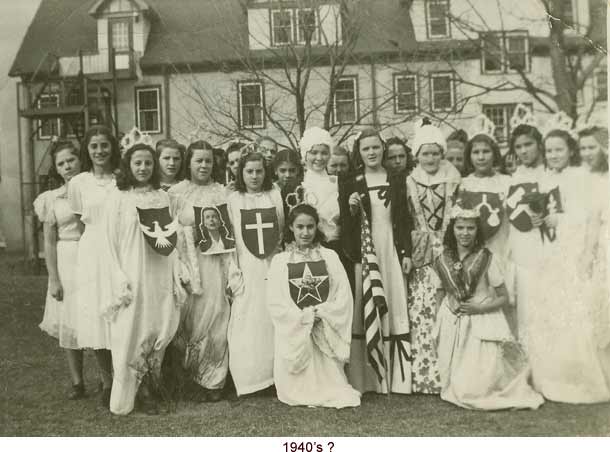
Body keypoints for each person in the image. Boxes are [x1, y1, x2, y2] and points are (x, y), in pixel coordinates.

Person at [527, 120, 610, 403]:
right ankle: (551, 373)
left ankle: (576, 375)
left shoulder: (579, 177)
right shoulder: (546, 178)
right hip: (550, 249)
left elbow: (585, 217)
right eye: (549, 151)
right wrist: (541, 220)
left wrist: (557, 221)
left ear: (570, 151)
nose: (553, 155)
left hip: (572, 248)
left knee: (573, 310)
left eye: (559, 150)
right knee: (550, 309)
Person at [432, 206, 544, 411]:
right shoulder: (442, 258)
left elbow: (504, 298)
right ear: (452, 230)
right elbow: (440, 291)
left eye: (470, 228)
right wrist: (440, 321)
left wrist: (478, 309)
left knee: (472, 389)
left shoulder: (487, 258)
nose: (465, 233)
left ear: (477, 231)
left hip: (479, 323)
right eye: (460, 228)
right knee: (452, 383)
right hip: (452, 323)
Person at [103, 143, 184, 415]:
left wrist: (175, 274)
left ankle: (150, 387)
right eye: (137, 163)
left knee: (156, 326)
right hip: (131, 271)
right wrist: (119, 276)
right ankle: (127, 391)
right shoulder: (118, 197)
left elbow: (172, 239)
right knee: (128, 331)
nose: (143, 168)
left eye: (148, 163)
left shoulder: (164, 197)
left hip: (157, 272)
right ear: (128, 165)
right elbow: (110, 241)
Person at [338, 127, 413, 394]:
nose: (371, 152)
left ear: (383, 149)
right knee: (366, 305)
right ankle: (367, 378)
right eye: (365, 148)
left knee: (393, 301)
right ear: (359, 152)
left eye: (375, 147)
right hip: (367, 251)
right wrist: (350, 208)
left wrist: (405, 253)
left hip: (390, 248)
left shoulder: (397, 178)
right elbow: (345, 225)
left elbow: (404, 220)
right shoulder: (350, 181)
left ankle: (398, 379)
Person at [267, 204, 361, 408]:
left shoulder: (329, 257)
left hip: (323, 321)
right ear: (291, 227)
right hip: (298, 324)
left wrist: (323, 313)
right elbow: (276, 300)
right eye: (300, 227)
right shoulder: (280, 261)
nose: (305, 232)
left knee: (337, 387)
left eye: (310, 227)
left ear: (316, 227)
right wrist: (303, 317)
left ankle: (330, 383)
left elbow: (342, 292)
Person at [169, 140, 234, 403]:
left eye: (208, 160)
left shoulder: (222, 192)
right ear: (189, 162)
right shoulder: (176, 193)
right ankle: (188, 377)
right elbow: (168, 230)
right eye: (199, 160)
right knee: (188, 319)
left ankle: (214, 380)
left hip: (214, 263)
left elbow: (231, 231)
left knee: (216, 317)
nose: (204, 165)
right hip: (186, 263)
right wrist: (187, 235)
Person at [406, 118, 461, 394]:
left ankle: (450, 371)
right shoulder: (409, 181)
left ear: (442, 153)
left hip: (447, 249)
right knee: (422, 311)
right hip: (421, 254)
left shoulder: (453, 180)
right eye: (425, 153)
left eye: (435, 153)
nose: (430, 158)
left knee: (447, 308)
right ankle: (425, 376)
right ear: (416, 155)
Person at [67, 125, 120, 407]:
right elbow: (79, 222)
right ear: (87, 151)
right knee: (99, 315)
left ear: (112, 147)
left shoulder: (120, 179)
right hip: (93, 251)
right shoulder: (78, 183)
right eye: (94, 146)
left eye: (104, 145)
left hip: (120, 249)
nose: (100, 151)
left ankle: (124, 376)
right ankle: (107, 379)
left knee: (121, 312)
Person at [227, 151, 284, 395]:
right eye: (249, 171)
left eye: (259, 171)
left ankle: (274, 377)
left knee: (273, 318)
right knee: (247, 320)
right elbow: (232, 238)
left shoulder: (274, 195)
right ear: (240, 173)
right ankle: (250, 380)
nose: (254, 176)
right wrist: (234, 271)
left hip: (271, 266)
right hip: (246, 267)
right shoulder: (234, 199)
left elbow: (279, 230)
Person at [34, 140, 85, 399]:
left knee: (96, 315)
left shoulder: (94, 190)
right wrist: (53, 278)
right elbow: (49, 241)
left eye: (71, 160)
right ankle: (78, 382)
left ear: (80, 160)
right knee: (70, 318)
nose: (67, 166)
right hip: (66, 258)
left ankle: (108, 380)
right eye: (61, 163)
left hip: (92, 256)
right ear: (56, 169)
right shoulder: (51, 199)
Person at [504, 107, 549, 348]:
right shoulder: (515, 177)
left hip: (547, 244)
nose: (523, 151)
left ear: (539, 144)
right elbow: (512, 212)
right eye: (518, 147)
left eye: (528, 144)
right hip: (523, 247)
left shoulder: (549, 173)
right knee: (526, 303)